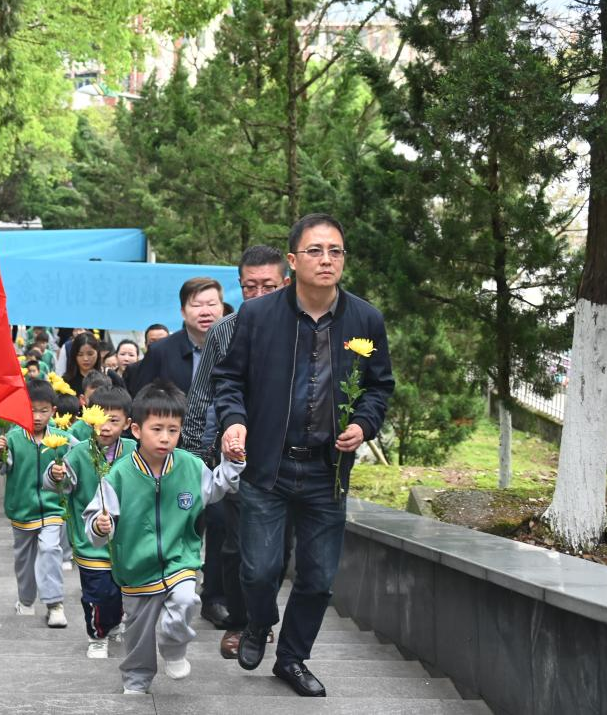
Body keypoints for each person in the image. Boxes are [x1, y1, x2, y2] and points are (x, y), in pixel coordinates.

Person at [215, 213, 394, 698]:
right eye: (315, 251)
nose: (327, 259)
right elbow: (228, 380)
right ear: (293, 261)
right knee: (259, 569)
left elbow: (378, 387)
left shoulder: (365, 319)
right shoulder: (256, 316)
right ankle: (257, 623)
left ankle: (291, 659)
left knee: (317, 579)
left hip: (325, 471)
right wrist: (235, 422)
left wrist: (363, 424)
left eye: (335, 251)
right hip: (268, 466)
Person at [84, 384, 244, 696]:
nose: (165, 437)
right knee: (138, 634)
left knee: (185, 600)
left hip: (180, 558)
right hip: (135, 568)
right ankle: (136, 679)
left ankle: (173, 646)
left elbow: (216, 488)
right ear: (136, 429)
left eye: (173, 429)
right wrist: (101, 526)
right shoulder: (118, 475)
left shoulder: (189, 466)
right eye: (156, 429)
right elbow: (95, 522)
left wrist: (232, 463)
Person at [179, 245, 291, 657]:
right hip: (237, 458)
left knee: (279, 552)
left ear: (287, 283)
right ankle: (244, 623)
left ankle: (260, 617)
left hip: (292, 460)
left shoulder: (305, 328)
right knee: (237, 545)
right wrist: (189, 459)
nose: (258, 295)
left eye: (269, 287)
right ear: (239, 286)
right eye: (250, 287)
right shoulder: (225, 330)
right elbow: (202, 394)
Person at [44, 386, 136, 659]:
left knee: (119, 590)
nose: (105, 427)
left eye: (114, 420)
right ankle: (96, 634)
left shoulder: (133, 451)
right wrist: (57, 473)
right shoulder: (78, 452)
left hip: (124, 540)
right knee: (96, 592)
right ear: (88, 419)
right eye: (100, 420)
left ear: (129, 424)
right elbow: (61, 486)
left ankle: (115, 621)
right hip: (90, 540)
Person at [0, 379, 70, 629]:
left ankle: (55, 604)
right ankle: (25, 599)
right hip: (21, 510)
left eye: (44, 410)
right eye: (31, 409)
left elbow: (76, 469)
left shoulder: (64, 439)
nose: (37, 416)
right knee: (24, 559)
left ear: (53, 411)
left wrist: (63, 476)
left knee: (50, 549)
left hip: (54, 508)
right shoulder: (12, 438)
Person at [128, 278, 223, 396]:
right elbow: (140, 401)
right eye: (197, 305)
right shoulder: (159, 352)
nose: (205, 312)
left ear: (222, 308)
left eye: (211, 304)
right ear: (183, 312)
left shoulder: (238, 346)